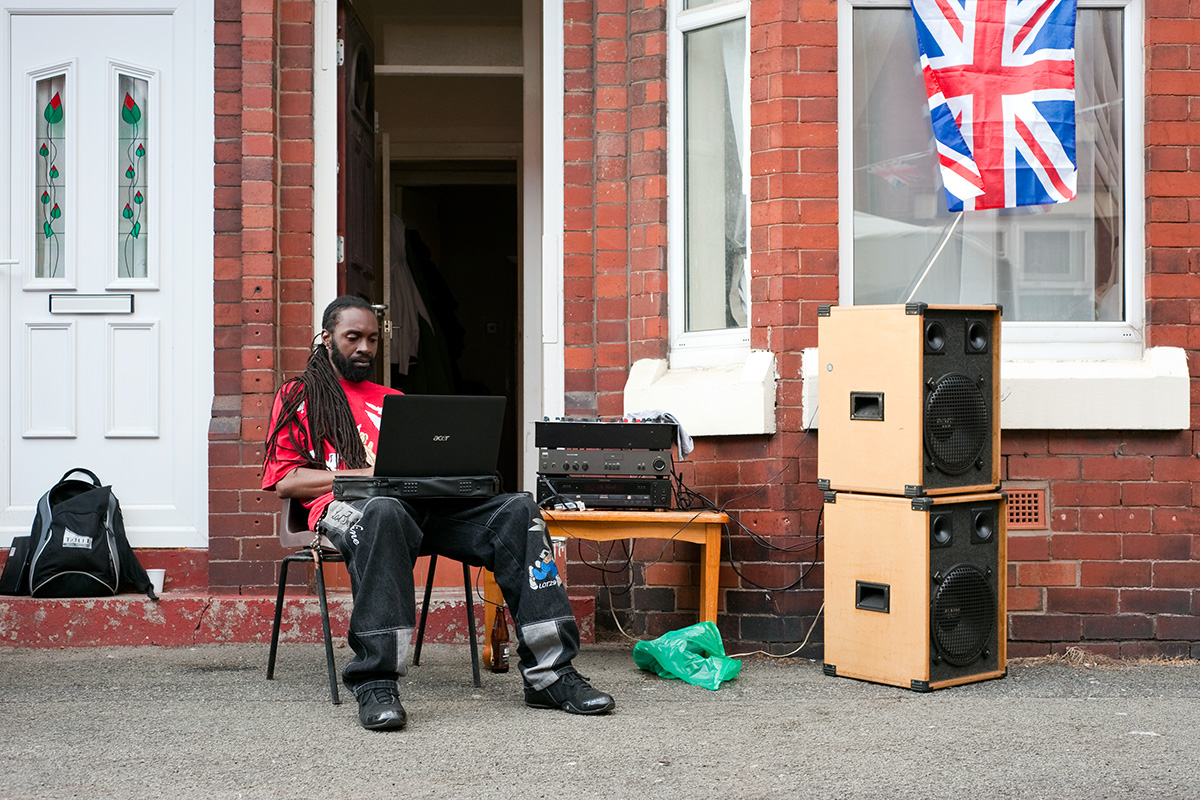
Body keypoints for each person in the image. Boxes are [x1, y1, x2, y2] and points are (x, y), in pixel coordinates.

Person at [262, 295, 614, 730]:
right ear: (326, 338)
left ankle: (550, 675)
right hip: (351, 511)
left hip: (423, 508)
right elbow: (286, 482)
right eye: (352, 337)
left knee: (519, 510)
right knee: (385, 511)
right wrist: (369, 473)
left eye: (372, 339)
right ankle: (375, 681)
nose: (364, 348)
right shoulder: (298, 395)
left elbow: (418, 470)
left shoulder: (393, 398)